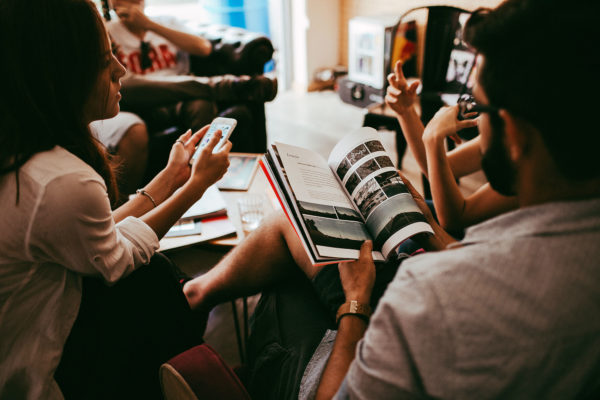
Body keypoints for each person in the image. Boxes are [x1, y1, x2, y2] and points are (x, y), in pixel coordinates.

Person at [183, 0, 600, 397]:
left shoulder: (429, 293)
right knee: (309, 237)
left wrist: (356, 304)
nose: (472, 116)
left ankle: (200, 307)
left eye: (480, 106)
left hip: (387, 322)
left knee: (294, 268)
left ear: (515, 135)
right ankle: (199, 295)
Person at [0, 0, 231, 398]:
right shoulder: (60, 179)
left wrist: (169, 178)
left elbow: (98, 240)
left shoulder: (28, 152)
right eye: (105, 58)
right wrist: (195, 186)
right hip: (30, 376)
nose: (121, 69)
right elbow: (114, 259)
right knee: (154, 276)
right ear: (60, 71)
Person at [93, 0, 276, 204]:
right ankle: (222, 86)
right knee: (127, 82)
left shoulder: (166, 22)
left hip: (180, 100)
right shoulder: (106, 30)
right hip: (143, 104)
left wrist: (150, 25)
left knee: (201, 104)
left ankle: (205, 189)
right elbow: (108, 80)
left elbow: (204, 48)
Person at [385, 59, 518, 233]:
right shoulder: (510, 131)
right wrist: (406, 111)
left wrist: (433, 138)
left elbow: (457, 219)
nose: (476, 116)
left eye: (478, 102)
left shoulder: (535, 167)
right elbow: (437, 167)